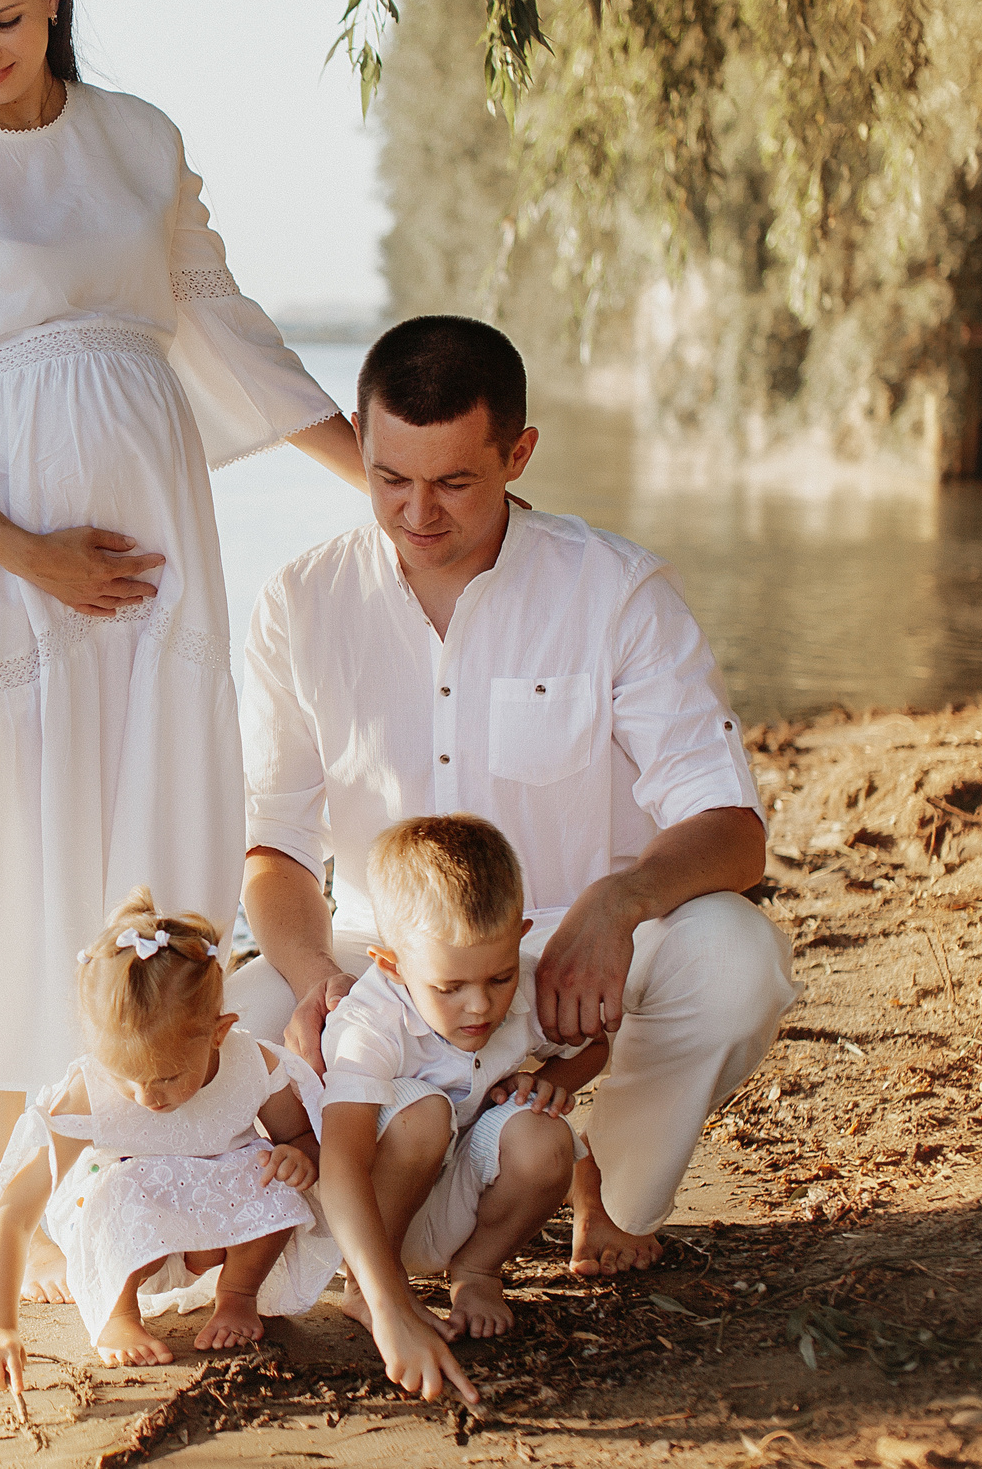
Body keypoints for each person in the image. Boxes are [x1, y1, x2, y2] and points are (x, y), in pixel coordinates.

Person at [0, 0, 365, 1289]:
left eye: (6, 16)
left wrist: (383, 480)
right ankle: (27, 1182)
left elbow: (223, 322)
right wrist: (28, 549)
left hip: (145, 547)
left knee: (137, 827)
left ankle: (147, 1139)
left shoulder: (138, 139)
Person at [225, 313, 795, 1283]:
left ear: (517, 452)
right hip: (385, 959)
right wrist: (316, 971)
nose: (418, 514)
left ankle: (597, 1184)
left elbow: (732, 830)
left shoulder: (614, 590)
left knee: (736, 962)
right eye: (389, 479)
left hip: (571, 956)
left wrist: (614, 905)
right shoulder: (300, 602)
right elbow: (273, 845)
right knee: (232, 1020)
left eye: (453, 481)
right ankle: (376, 1221)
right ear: (358, 447)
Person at [0, 889, 338, 1383]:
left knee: (269, 1168)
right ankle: (119, 1317)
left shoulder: (253, 1064)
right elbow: (12, 1211)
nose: (147, 1096)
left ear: (218, 1031)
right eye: (127, 1077)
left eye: (166, 1077)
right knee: (115, 1183)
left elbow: (299, 1136)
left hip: (221, 1231)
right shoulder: (90, 1091)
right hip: (133, 1239)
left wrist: (300, 1156)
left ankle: (237, 1296)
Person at [317, 815, 608, 1406]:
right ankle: (368, 1292)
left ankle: (477, 1272)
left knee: (543, 1135)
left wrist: (551, 1080)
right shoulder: (369, 1023)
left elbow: (595, 1043)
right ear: (391, 965)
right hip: (369, 1225)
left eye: (497, 977)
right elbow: (340, 1166)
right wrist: (388, 1304)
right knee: (422, 1112)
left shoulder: (524, 988)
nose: (480, 1005)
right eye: (449, 987)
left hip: (458, 1207)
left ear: (521, 938)